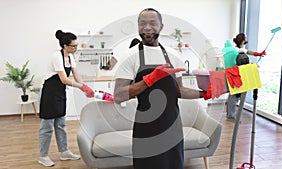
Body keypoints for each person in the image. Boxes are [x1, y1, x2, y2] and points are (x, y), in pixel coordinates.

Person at [113, 8, 211, 169]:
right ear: (138, 26)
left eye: (153, 23)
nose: (147, 27)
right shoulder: (130, 56)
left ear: (161, 27)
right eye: (142, 23)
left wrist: (204, 94)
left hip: (172, 125)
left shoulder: (173, 55)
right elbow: (118, 95)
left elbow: (180, 90)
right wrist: (149, 80)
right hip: (146, 127)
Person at [38, 30, 94, 167]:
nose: (76, 48)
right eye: (73, 46)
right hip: (50, 94)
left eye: (77, 45)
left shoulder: (70, 56)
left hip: (60, 94)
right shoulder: (56, 56)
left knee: (61, 124)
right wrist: (81, 87)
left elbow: (76, 74)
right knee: (47, 127)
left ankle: (64, 151)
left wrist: (84, 86)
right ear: (65, 45)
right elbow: (63, 79)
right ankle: (43, 156)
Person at [226, 33, 266, 119]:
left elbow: (248, 52)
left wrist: (259, 54)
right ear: (243, 40)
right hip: (236, 76)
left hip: (234, 74)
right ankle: (231, 116)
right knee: (235, 96)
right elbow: (243, 65)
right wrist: (253, 66)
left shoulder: (239, 49)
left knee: (233, 95)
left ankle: (230, 114)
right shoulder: (238, 52)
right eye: (246, 37)